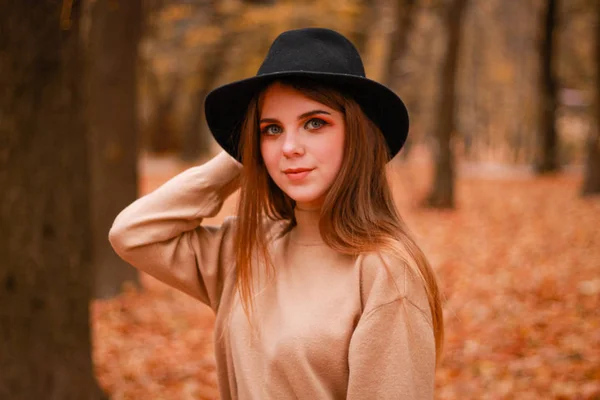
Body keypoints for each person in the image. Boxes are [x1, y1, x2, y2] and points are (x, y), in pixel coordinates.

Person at [109, 27, 444, 399]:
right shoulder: (249, 248)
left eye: (314, 123)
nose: (289, 147)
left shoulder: (384, 272)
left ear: (358, 134)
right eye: (271, 129)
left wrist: (265, 144)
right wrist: (243, 156)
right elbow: (132, 233)